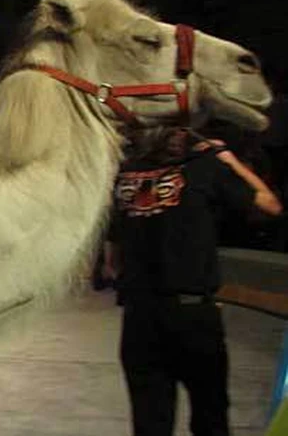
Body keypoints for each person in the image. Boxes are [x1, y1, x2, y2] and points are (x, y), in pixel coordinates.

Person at [103, 127, 283, 436]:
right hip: (191, 315)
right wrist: (227, 159)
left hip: (139, 318)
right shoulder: (205, 168)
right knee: (210, 417)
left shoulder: (125, 175)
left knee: (150, 421)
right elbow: (270, 205)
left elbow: (111, 264)